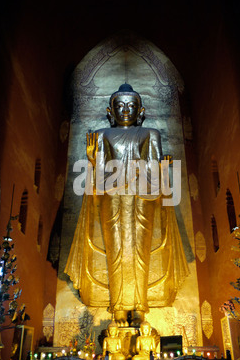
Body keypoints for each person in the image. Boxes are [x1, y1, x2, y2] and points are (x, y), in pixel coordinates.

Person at [65, 84, 189, 327]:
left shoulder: (150, 134)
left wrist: (160, 171)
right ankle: (119, 308)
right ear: (110, 110)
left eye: (131, 106)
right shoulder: (102, 135)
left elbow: (153, 170)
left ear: (140, 111)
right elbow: (100, 178)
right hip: (112, 197)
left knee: (140, 252)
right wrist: (92, 160)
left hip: (143, 197)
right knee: (117, 251)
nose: (125, 110)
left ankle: (140, 308)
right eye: (119, 106)